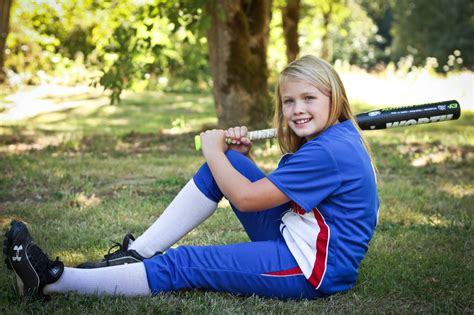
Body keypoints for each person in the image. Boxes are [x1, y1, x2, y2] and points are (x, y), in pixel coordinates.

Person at [3, 55, 379, 300]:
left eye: (309, 98)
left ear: (333, 97)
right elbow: (273, 192)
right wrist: (231, 159)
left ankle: (53, 280)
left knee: (183, 264)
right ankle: (135, 256)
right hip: (298, 231)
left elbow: (247, 199)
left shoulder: (327, 151)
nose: (297, 110)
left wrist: (214, 152)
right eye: (289, 101)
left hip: (311, 266)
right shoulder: (332, 139)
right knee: (227, 167)